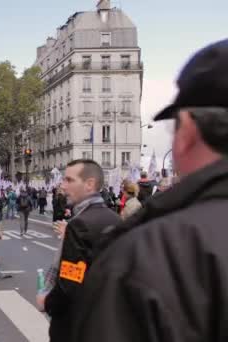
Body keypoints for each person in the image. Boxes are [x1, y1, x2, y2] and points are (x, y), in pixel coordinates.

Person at [70, 39, 228, 342]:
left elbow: (70, 274)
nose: (63, 187)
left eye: (68, 181)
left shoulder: (146, 252)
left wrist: (53, 301)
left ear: (188, 131)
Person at [36, 159, 120, 342]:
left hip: (76, 325)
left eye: (69, 180)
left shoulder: (79, 224)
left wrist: (47, 302)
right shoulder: (114, 219)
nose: (63, 186)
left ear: (89, 184)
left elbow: (70, 281)